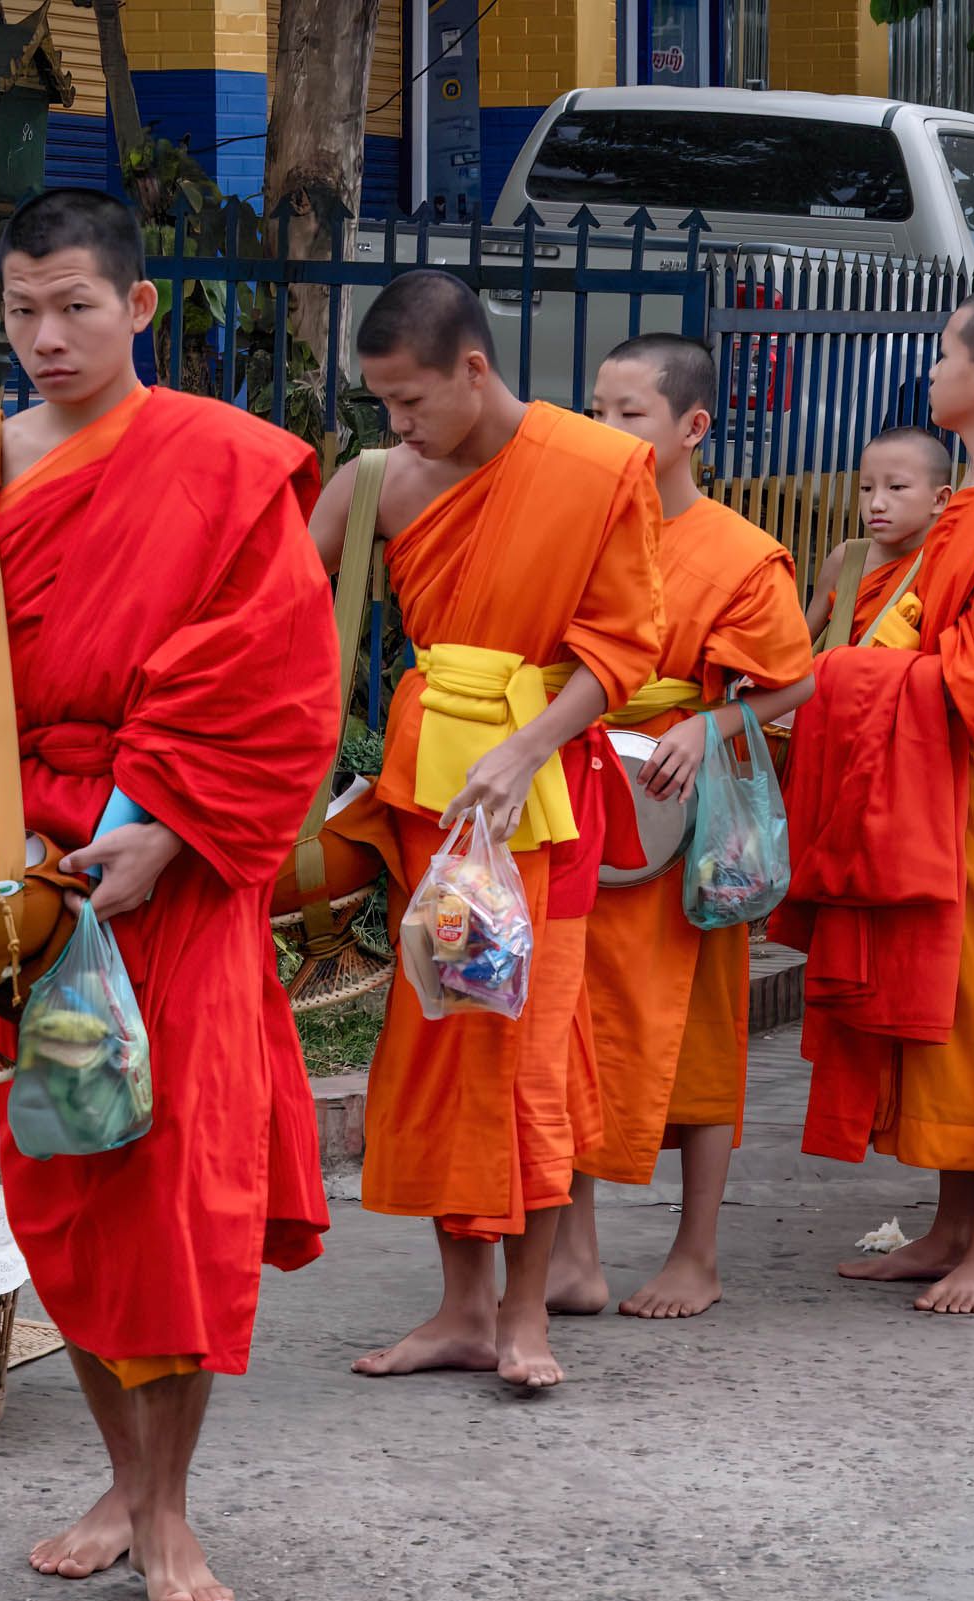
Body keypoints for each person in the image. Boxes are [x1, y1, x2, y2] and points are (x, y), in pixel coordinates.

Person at [0, 189, 339, 1601]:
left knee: (181, 1188)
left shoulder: (217, 462)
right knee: (70, 1185)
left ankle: (168, 1509)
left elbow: (281, 683)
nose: (44, 336)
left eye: (74, 305)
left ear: (137, 308)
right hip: (33, 878)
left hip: (181, 873)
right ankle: (121, 1472)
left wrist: (174, 834)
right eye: (21, 309)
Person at [320, 268, 662, 1389]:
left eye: (411, 400)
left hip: (544, 806)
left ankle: (526, 1316)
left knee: (529, 1050)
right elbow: (270, 606)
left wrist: (527, 746)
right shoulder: (388, 482)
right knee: (437, 1047)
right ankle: (462, 1307)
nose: (399, 426)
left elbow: (622, 647)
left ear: (475, 367)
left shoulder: (597, 468)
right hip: (434, 804)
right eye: (382, 406)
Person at [789, 288, 974, 1315]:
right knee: (941, 1007)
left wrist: (853, 680)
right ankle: (952, 1225)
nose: (932, 367)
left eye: (944, 353)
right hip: (934, 779)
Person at [549, 334, 815, 1320]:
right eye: (596, 409)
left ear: (693, 427)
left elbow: (795, 680)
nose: (605, 430)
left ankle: (695, 1250)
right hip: (582, 805)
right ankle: (571, 1250)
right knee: (566, 1025)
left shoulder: (742, 552)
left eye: (630, 413)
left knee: (700, 1041)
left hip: (677, 823)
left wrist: (713, 722)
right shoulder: (577, 528)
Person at [807, 428, 951, 653]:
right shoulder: (847, 560)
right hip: (840, 686)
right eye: (866, 488)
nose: (876, 504)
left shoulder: (949, 564)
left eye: (896, 487)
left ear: (940, 499)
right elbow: (799, 648)